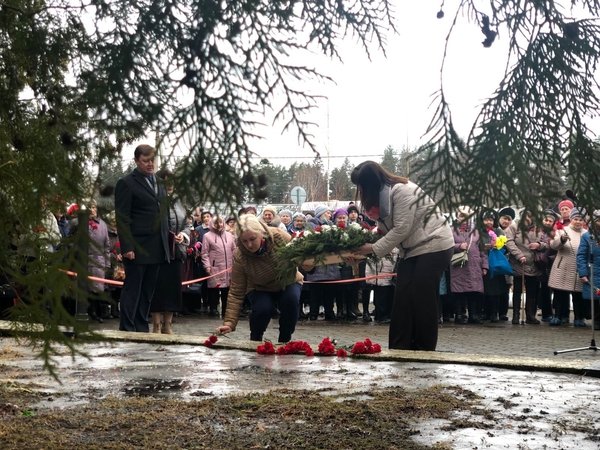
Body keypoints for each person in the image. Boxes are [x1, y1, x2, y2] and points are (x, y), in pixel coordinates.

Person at [350, 161, 454, 351]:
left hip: (434, 244)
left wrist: (371, 249)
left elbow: (401, 229)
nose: (361, 191)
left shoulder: (403, 191)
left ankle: (424, 348)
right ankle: (400, 347)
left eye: (362, 186)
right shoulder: (383, 197)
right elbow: (384, 229)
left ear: (371, 183)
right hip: (411, 250)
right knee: (402, 298)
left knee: (422, 296)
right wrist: (356, 249)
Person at [216, 214, 303, 342]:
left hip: (287, 280)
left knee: (290, 301)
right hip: (259, 286)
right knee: (262, 309)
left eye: (252, 239)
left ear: (262, 233)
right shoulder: (240, 256)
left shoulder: (279, 237)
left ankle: (285, 340)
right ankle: (255, 340)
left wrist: (308, 264)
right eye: (244, 241)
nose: (249, 245)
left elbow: (301, 257)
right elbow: (236, 291)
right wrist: (229, 323)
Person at [114, 144, 169, 332]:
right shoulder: (127, 183)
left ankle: (141, 325)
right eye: (146, 161)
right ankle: (127, 327)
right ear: (137, 161)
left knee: (148, 290)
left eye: (152, 160)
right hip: (137, 247)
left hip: (157, 246)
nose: (150, 164)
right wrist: (127, 246)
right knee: (133, 289)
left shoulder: (159, 184)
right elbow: (122, 218)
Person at [150, 169, 189, 334]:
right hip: (157, 252)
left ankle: (168, 325)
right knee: (157, 290)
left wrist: (183, 235)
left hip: (176, 253)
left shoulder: (180, 202)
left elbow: (187, 224)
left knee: (173, 290)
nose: (170, 185)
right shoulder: (153, 200)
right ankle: (156, 326)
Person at [548, 208, 585, 327]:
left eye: (580, 219)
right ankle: (558, 316)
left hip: (579, 268)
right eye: (575, 219)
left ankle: (579, 318)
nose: (578, 222)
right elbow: (554, 245)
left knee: (578, 295)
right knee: (560, 294)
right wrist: (562, 240)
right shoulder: (563, 230)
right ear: (571, 219)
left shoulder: (586, 233)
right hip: (563, 266)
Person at [201, 216, 236, 317]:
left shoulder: (229, 235)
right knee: (214, 289)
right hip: (215, 267)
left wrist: (236, 264)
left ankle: (226, 310)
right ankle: (213, 309)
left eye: (221, 222)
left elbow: (234, 250)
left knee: (227, 290)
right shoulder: (207, 236)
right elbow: (205, 253)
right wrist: (207, 266)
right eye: (216, 223)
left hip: (228, 267)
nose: (219, 225)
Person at [576, 210, 600, 330]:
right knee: (594, 298)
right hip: (593, 271)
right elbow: (581, 255)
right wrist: (583, 273)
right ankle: (596, 321)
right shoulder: (587, 237)